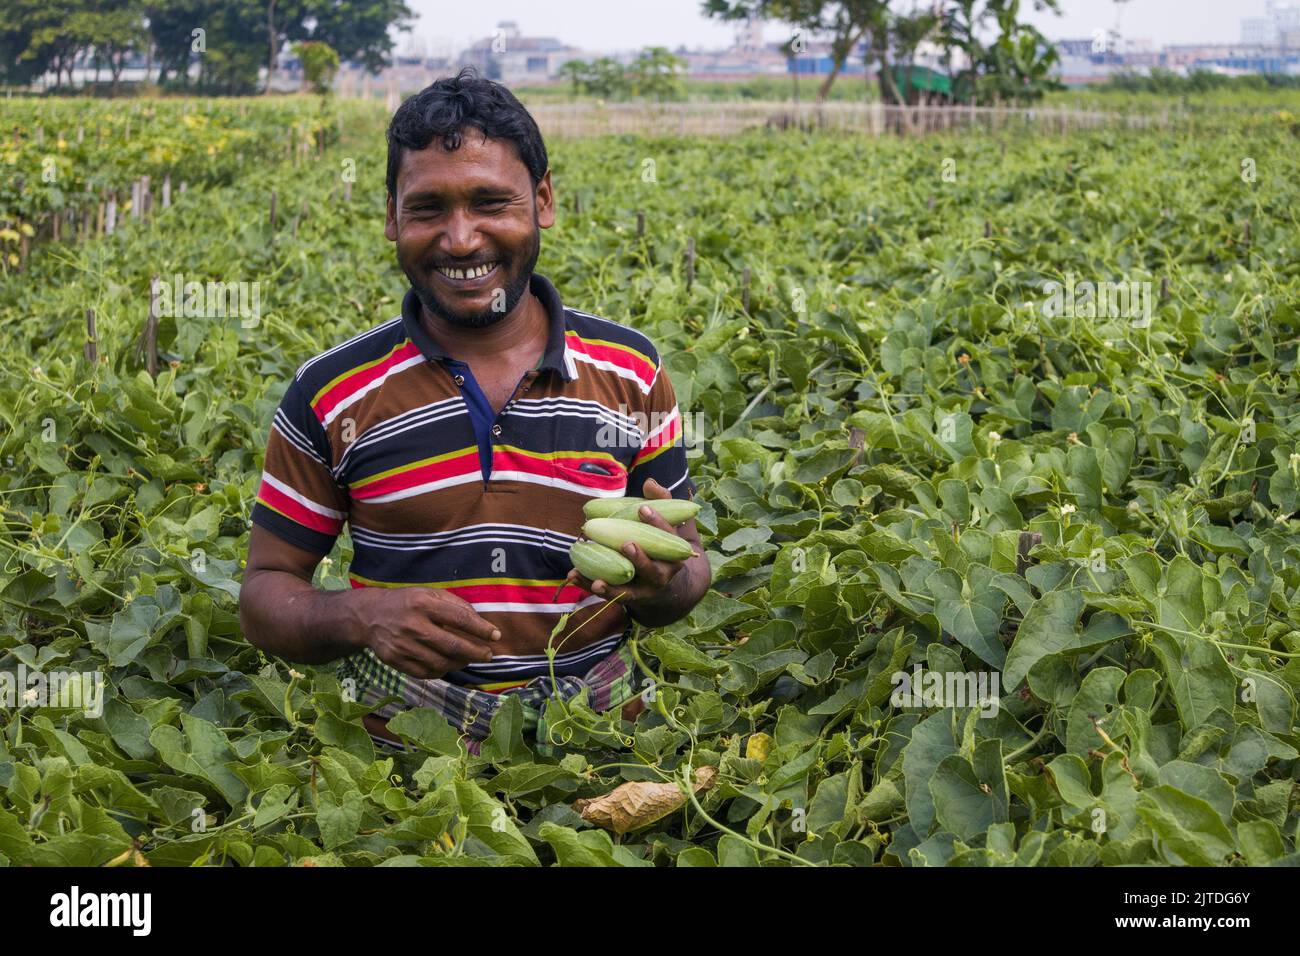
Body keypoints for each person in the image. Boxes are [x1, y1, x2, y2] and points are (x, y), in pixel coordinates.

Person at [238, 67, 710, 755]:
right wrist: (361, 615)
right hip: (401, 744)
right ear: (392, 216)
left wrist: (660, 585)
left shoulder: (630, 371)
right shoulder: (330, 392)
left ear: (542, 201)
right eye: (428, 208)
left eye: (491, 202)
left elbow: (690, 567)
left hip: (601, 735)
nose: (461, 239)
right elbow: (264, 594)